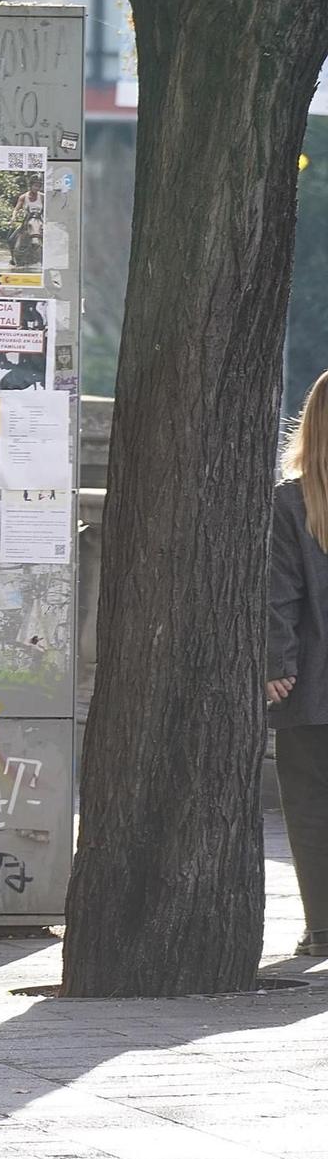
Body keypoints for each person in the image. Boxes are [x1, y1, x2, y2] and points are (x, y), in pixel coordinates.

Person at [267, 370, 328, 958]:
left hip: (312, 687)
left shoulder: (292, 500)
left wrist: (276, 663)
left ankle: (324, 926)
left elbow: (280, 592)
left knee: (310, 809)